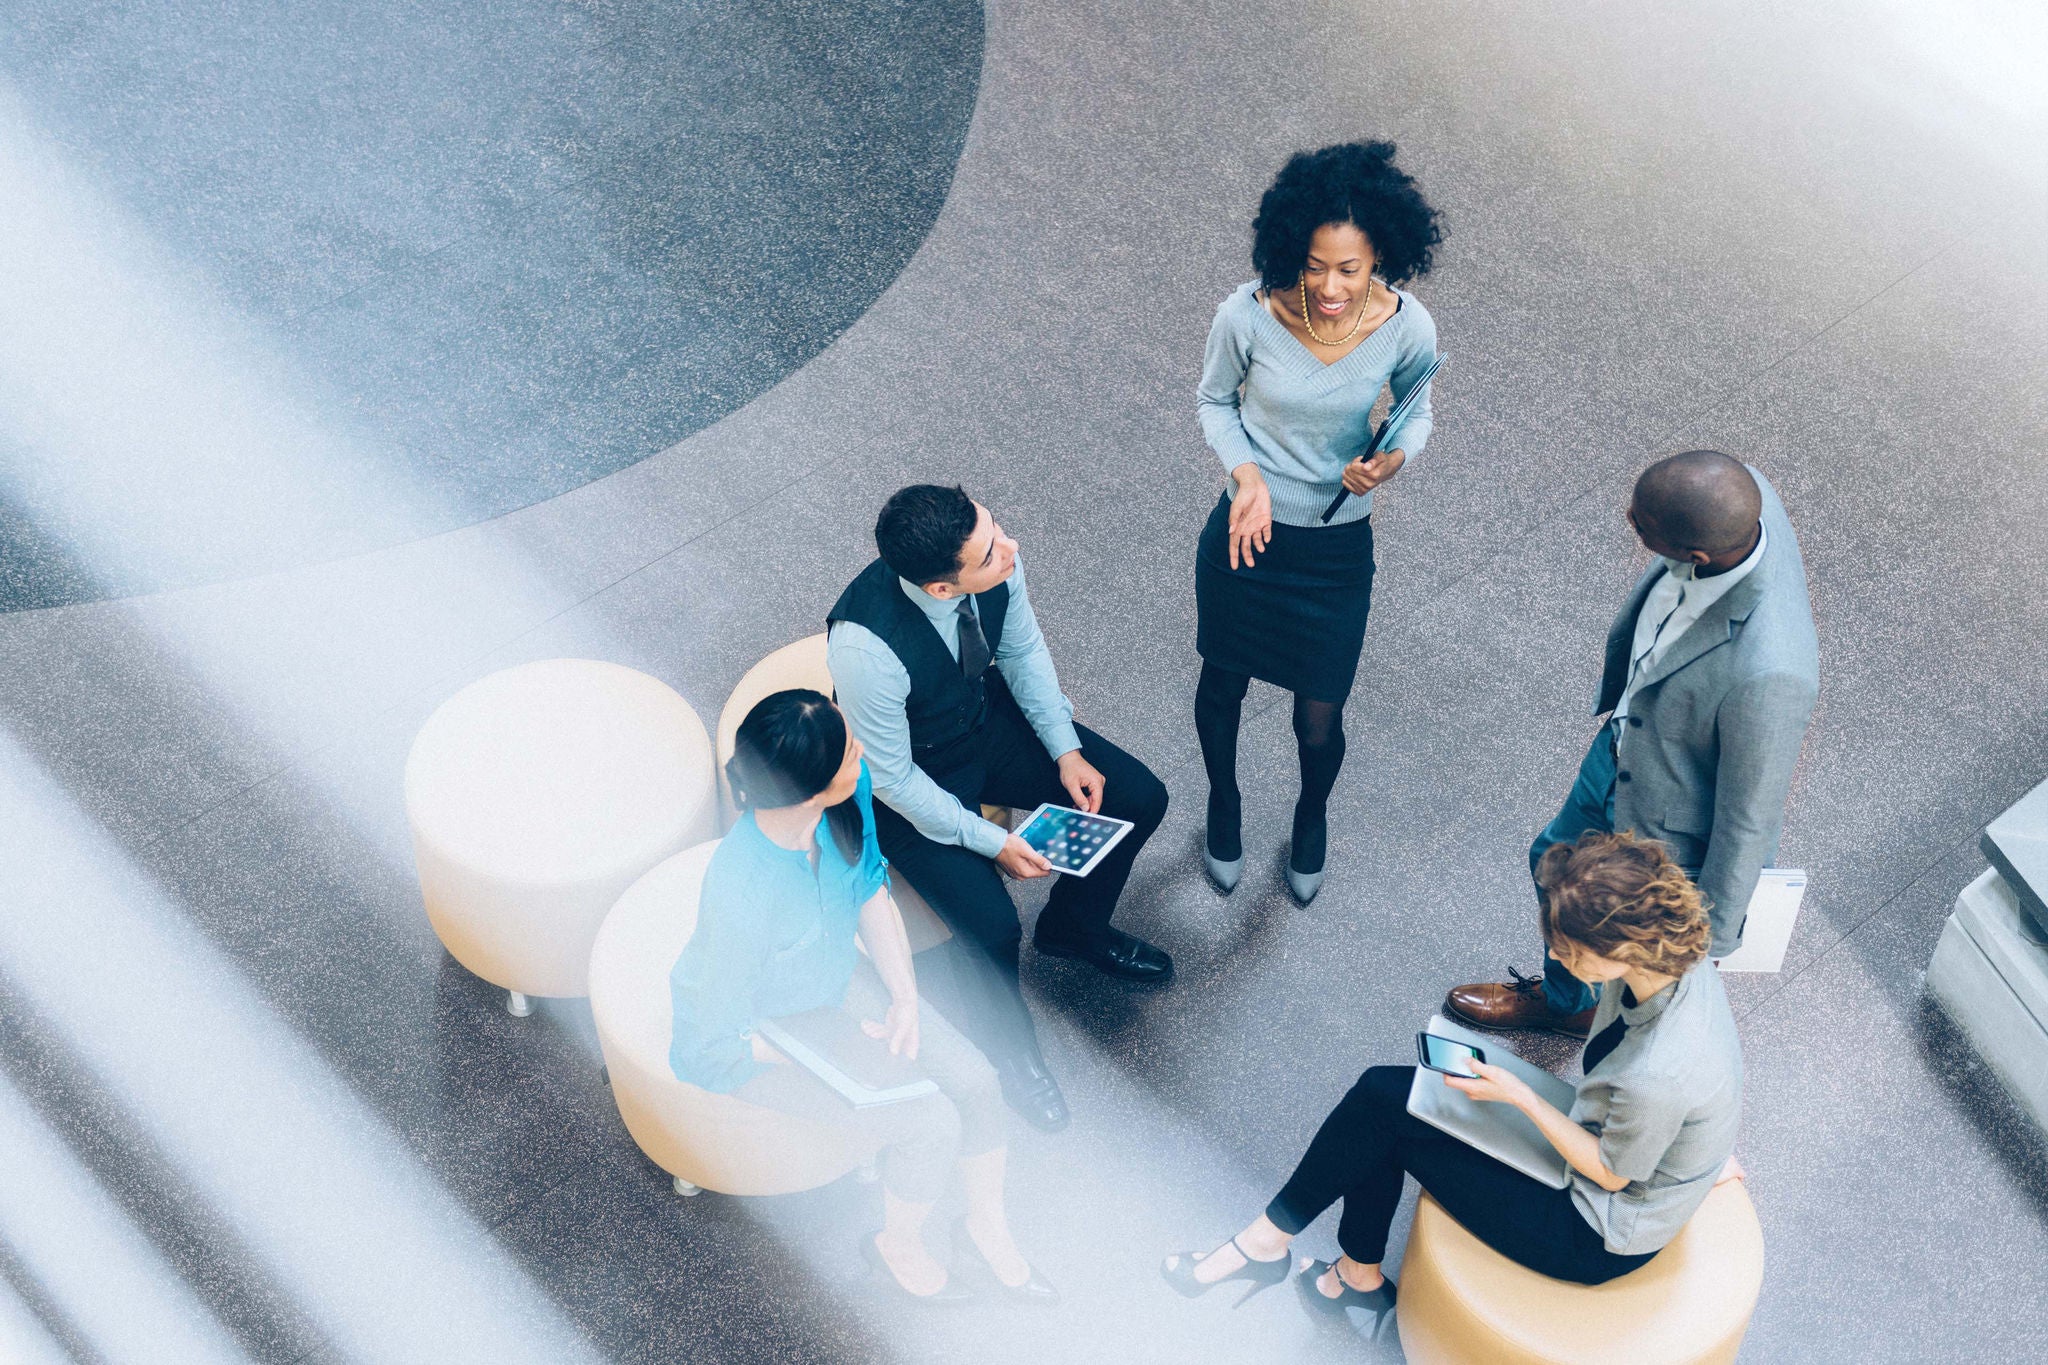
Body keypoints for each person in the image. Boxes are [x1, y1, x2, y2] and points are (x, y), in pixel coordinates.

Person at [1163, 832, 1746, 1334]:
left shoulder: (1660, 1072)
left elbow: (1611, 1172)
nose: (1563, 964)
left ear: (1621, 947)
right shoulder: (1674, 960)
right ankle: (1325, 1264)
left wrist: (1518, 1095)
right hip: (1607, 1141)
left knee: (1387, 1119)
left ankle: (1283, 1254)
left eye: (1571, 952)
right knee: (1385, 1096)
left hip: (1591, 1229)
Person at [668, 690, 1054, 1304]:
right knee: (928, 1124)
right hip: (760, 1037)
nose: (864, 754)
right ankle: (894, 1246)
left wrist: (902, 997)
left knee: (977, 1081)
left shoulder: (844, 802)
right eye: (850, 753)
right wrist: (839, 1054)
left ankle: (984, 1227)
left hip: (832, 981)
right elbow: (718, 1032)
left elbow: (870, 887)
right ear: (809, 789)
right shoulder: (742, 892)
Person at [827, 485, 1172, 1132]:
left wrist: (1065, 750)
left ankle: (1074, 927)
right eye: (989, 553)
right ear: (941, 588)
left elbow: (1020, 654)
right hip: (916, 774)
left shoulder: (1000, 561)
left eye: (997, 530)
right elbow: (893, 778)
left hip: (983, 722)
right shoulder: (863, 648)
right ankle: (1011, 1054)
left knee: (1139, 795)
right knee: (992, 927)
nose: (1010, 548)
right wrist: (993, 844)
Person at [1448, 450, 1819, 1036]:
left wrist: (1710, 939)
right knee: (1551, 863)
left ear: (1697, 555)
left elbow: (1751, 816)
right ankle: (1572, 1000)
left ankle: (1589, 1018)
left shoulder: (1771, 673)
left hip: (1664, 817)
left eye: (1640, 526)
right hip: (1624, 744)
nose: (1628, 520)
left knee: (1610, 928)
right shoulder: (1740, 499)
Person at [1194, 139, 1442, 904]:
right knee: (1222, 683)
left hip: (1336, 549)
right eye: (1314, 265)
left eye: (1350, 268)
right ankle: (1224, 802)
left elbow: (1415, 416)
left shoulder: (1407, 328)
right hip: (1247, 531)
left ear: (1382, 261)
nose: (1330, 286)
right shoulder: (1246, 315)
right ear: (1289, 250)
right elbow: (1213, 402)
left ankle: (1311, 812)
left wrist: (1388, 463)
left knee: (1319, 716)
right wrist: (1246, 477)